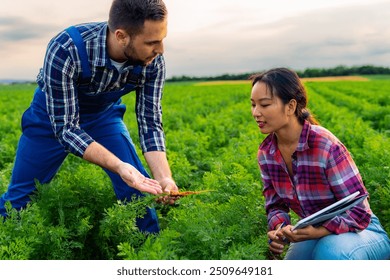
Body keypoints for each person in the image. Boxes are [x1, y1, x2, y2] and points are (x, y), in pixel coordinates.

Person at [0, 0, 178, 233]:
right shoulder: (66, 48)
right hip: (50, 118)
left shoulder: (152, 60)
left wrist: (164, 177)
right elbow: (66, 129)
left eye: (162, 39)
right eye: (152, 42)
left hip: (103, 117)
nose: (161, 50)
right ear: (121, 36)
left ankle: (149, 250)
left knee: (137, 189)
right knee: (20, 199)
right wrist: (118, 165)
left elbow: (150, 122)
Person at [250, 67, 390, 260]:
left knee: (331, 253)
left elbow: (359, 212)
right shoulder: (266, 153)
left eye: (264, 105)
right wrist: (280, 229)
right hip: (314, 230)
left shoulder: (325, 145)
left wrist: (320, 231)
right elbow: (275, 204)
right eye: (253, 105)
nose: (256, 112)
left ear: (290, 106)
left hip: (363, 231)